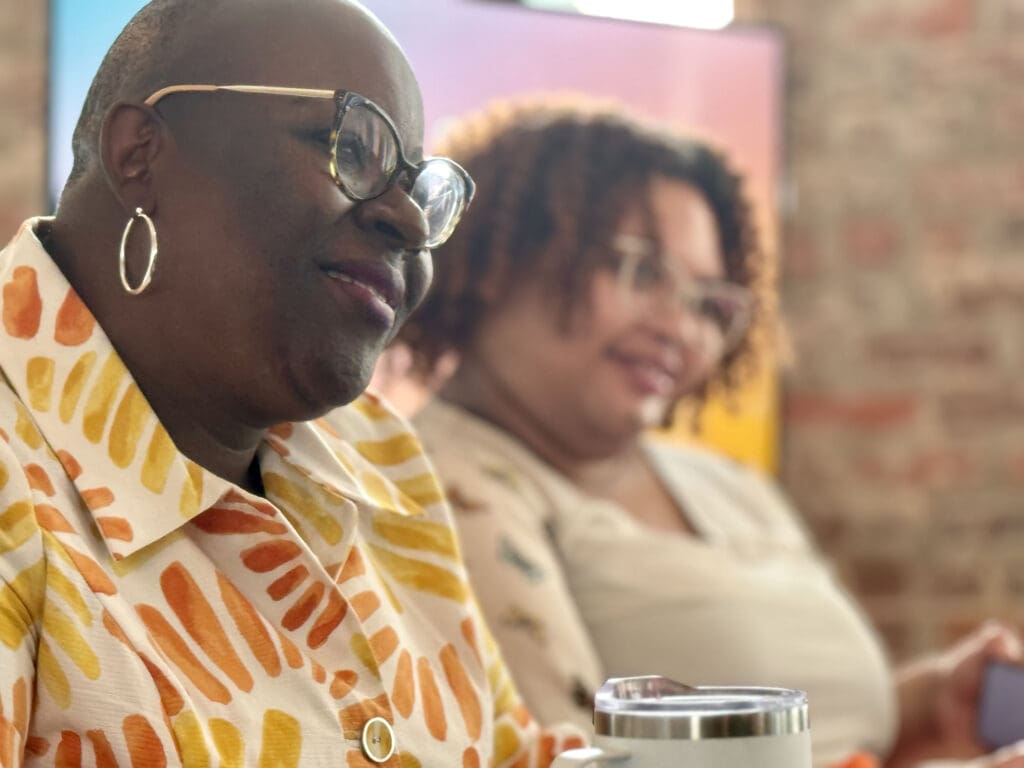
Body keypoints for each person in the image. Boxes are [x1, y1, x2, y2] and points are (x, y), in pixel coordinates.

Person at [0, 3, 587, 765]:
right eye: (351, 147)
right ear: (139, 151)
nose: (410, 222)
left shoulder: (379, 460)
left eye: (421, 188)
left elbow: (509, 754)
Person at [396, 98, 1024, 768]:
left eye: (708, 303)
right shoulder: (435, 484)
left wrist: (925, 707)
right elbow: (563, 757)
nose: (679, 328)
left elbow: (806, 739)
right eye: (639, 269)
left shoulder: (721, 484)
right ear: (499, 257)